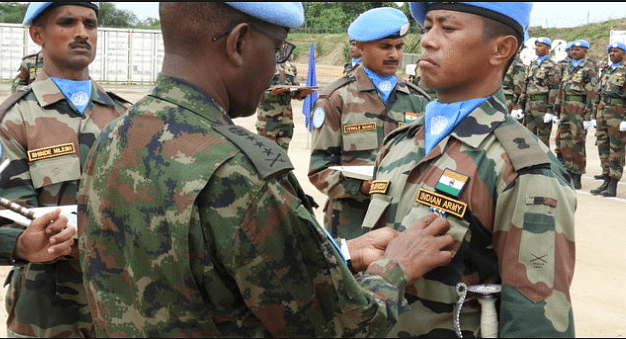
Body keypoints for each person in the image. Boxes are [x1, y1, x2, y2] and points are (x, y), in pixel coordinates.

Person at [77, 3, 455, 337]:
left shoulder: (117, 133)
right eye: (278, 49)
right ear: (239, 43)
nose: (278, 66)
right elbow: (344, 326)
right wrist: (398, 266)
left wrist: (341, 251)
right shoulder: (241, 171)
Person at [362, 2, 576, 337]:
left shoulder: (521, 169)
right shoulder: (399, 143)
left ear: (501, 49)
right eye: (427, 27)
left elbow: (535, 320)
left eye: (447, 28)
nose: (427, 42)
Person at [0, 3, 131, 337]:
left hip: (124, 309)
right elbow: (6, 214)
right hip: (45, 313)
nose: (81, 32)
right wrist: (20, 243)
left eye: (90, 23)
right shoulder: (14, 119)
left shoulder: (129, 117)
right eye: (67, 22)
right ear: (37, 34)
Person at [308, 7, 431, 240]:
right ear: (360, 47)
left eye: (399, 46)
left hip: (401, 224)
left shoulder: (418, 101)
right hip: (351, 225)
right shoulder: (336, 100)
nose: (394, 54)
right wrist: (362, 188)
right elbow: (319, 171)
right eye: (385, 46)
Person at [556, 39, 598, 189]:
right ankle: (567, 171)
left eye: (578, 49)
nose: (574, 52)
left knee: (577, 142)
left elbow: (591, 94)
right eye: (572, 49)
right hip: (565, 108)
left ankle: (577, 174)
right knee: (565, 141)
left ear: (585, 51)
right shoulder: (568, 68)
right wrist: (557, 110)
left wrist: (588, 117)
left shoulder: (588, 69)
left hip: (579, 109)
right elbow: (562, 90)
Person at [590, 42, 626, 197]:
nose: (612, 54)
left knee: (616, 149)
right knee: (603, 146)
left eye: (615, 51)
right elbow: (598, 93)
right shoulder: (606, 70)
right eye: (610, 51)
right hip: (602, 112)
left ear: (624, 54)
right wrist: (593, 115)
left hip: (618, 113)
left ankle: (613, 184)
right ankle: (605, 179)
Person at [255, 60, 312, 151]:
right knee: (266, 157)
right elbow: (252, 92)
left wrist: (302, 94)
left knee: (283, 158)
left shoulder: (290, 67)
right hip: (268, 123)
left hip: (286, 122)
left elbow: (293, 92)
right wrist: (271, 94)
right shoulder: (262, 64)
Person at [518, 37, 563, 147]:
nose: (536, 48)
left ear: (548, 49)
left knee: (542, 140)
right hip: (529, 105)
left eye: (540, 46)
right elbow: (526, 84)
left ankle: (545, 163)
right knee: (528, 138)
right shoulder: (533, 64)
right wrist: (520, 105)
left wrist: (550, 110)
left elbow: (554, 89)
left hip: (542, 106)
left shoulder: (553, 66)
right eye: (536, 45)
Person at [554, 42, 575, 163]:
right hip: (563, 103)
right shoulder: (561, 65)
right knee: (560, 134)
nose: (572, 52)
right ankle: (561, 159)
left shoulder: (585, 65)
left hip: (577, 105)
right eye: (569, 50)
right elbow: (557, 84)